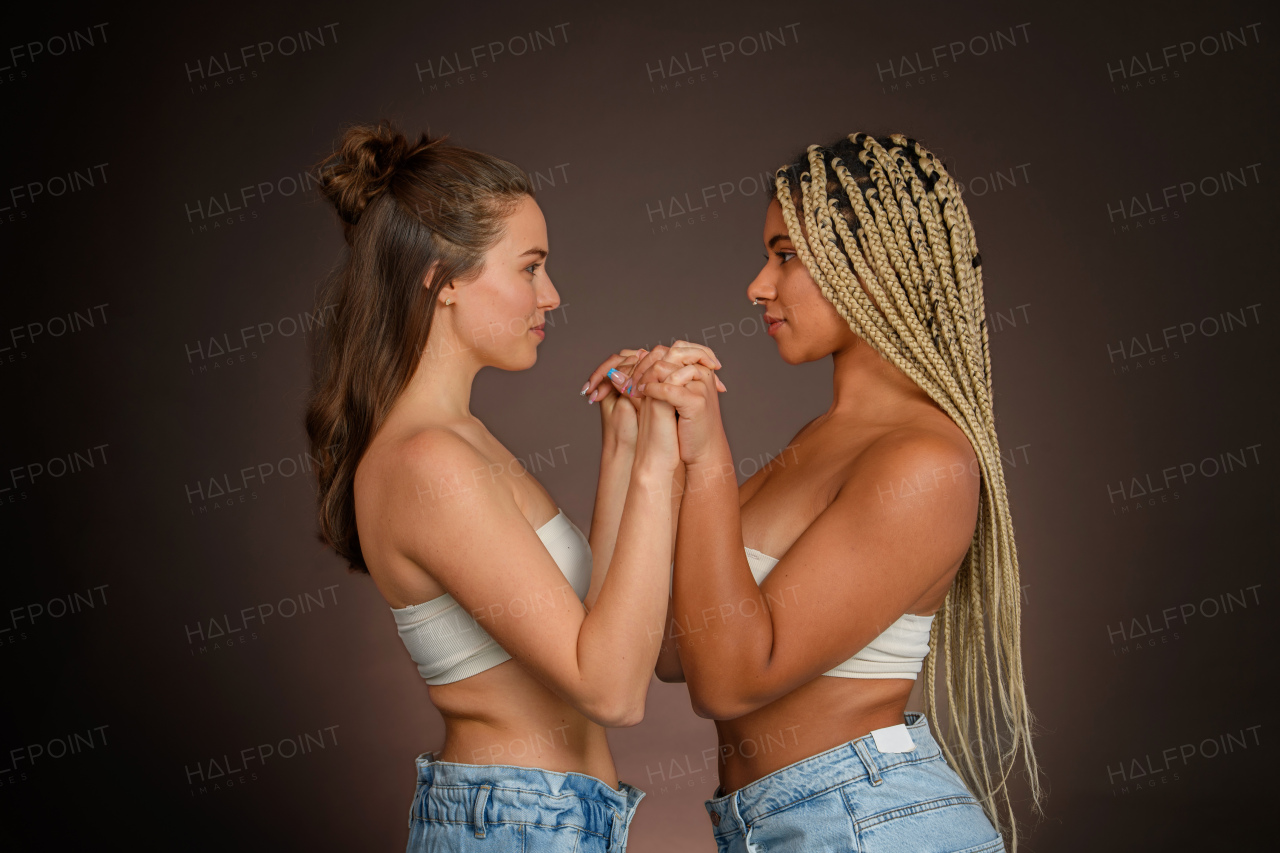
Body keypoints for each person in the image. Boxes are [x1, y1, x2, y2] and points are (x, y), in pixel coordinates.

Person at [599, 133, 1043, 851]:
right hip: (784, 825)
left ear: (870, 267)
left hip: (874, 827)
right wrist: (638, 438)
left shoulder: (924, 460)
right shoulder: (822, 437)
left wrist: (709, 451)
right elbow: (680, 651)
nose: (758, 286)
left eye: (783, 255)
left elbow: (733, 681)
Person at [304, 120, 722, 852]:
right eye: (530, 267)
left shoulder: (457, 439)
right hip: (515, 825)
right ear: (443, 280)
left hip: (543, 819)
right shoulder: (426, 460)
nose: (552, 294)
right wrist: (663, 461)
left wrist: (624, 446)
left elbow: (611, 632)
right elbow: (613, 689)